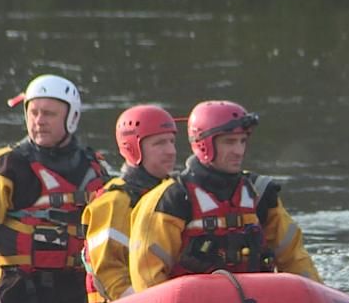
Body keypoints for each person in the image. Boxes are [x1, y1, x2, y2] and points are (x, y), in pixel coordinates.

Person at [0, 74, 111, 303]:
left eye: (49, 113)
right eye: (33, 112)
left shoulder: (94, 170)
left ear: (71, 118)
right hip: (15, 291)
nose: (39, 120)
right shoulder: (5, 165)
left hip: (74, 289)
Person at [128, 100, 321, 292]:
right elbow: (148, 278)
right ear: (204, 145)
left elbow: (295, 259)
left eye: (242, 141)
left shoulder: (260, 193)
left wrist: (316, 297)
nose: (239, 151)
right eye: (229, 142)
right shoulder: (171, 199)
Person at [81, 104, 177, 303]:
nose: (171, 151)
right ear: (133, 148)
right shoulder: (114, 202)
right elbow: (108, 271)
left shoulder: (173, 194)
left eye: (171, 142)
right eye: (159, 144)